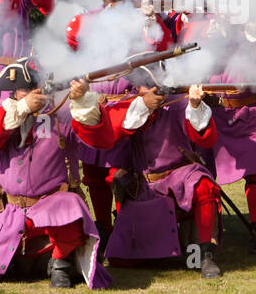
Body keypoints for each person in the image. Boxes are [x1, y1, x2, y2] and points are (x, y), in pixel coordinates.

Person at [0, 61, 110, 289]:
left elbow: (101, 138)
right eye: (26, 89)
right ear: (15, 92)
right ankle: (16, 262)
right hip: (11, 212)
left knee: (70, 207)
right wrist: (22, 108)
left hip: (53, 206)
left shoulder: (64, 113)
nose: (36, 92)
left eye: (38, 86)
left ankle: (60, 262)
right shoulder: (8, 113)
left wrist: (82, 99)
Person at [71, 67, 226, 278]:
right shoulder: (132, 105)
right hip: (144, 184)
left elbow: (205, 138)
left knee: (203, 184)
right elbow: (108, 132)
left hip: (180, 176)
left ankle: (205, 255)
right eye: (145, 87)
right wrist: (144, 105)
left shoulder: (180, 102)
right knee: (122, 260)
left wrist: (196, 105)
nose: (151, 90)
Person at [206, 22, 256, 247]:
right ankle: (212, 226)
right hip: (215, 116)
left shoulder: (250, 36)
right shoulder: (207, 38)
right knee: (206, 174)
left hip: (249, 115)